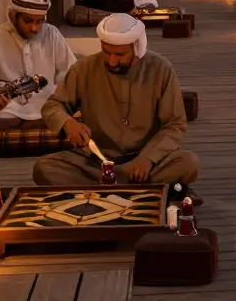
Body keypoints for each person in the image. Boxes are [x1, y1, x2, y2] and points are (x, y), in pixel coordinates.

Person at [33, 14, 199, 189]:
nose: (112, 62)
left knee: (188, 163)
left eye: (120, 55)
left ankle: (104, 187)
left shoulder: (161, 69)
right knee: (44, 168)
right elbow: (53, 105)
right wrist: (68, 123)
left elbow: (174, 124)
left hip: (144, 162)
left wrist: (148, 158)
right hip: (97, 161)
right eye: (107, 52)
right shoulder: (83, 69)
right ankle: (131, 187)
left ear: (137, 48)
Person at [0, 0, 76, 130]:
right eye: (28, 21)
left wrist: (60, 96)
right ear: (13, 17)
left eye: (39, 22)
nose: (34, 28)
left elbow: (70, 71)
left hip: (45, 104)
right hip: (8, 108)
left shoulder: (52, 34)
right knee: (3, 117)